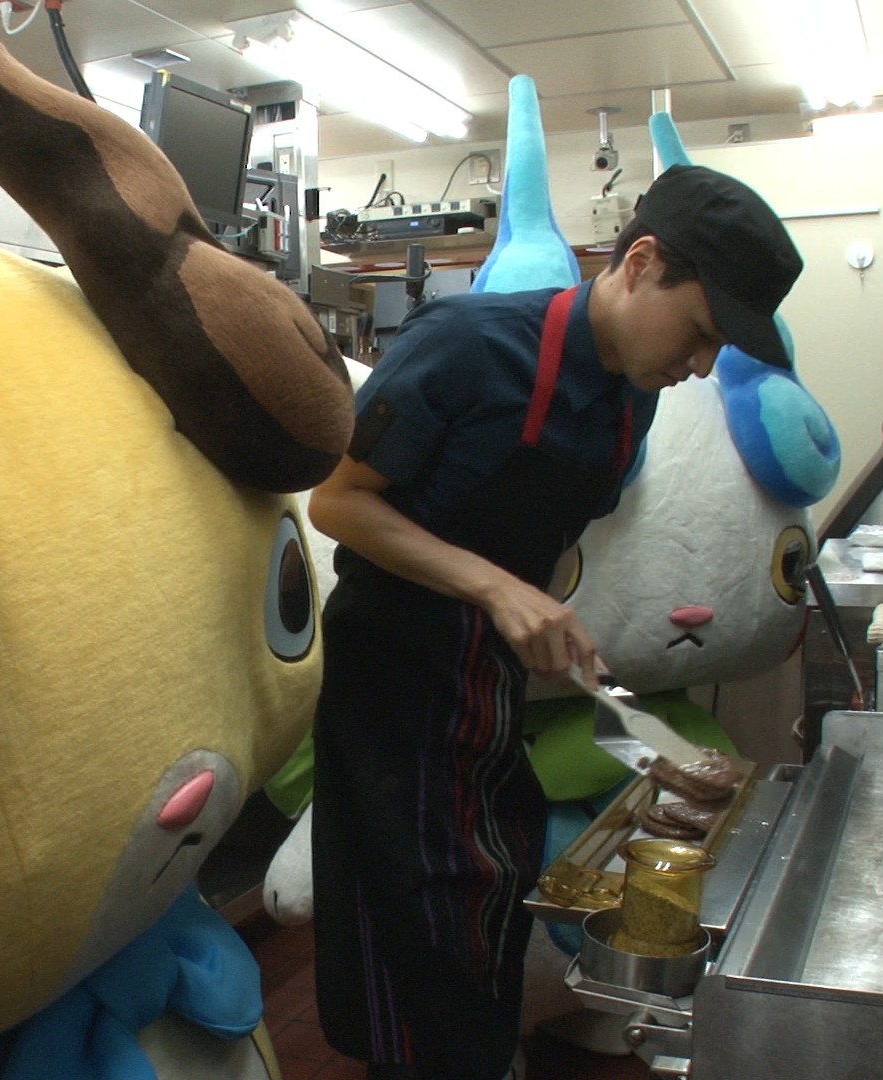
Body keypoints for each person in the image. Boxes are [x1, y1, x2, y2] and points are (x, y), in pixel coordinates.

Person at [306, 164, 803, 1080]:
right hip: (390, 688)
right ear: (640, 263)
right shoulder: (467, 347)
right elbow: (337, 502)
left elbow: (543, 552)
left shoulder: (632, 397)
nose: (699, 367)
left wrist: (589, 668)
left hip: (489, 686)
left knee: (493, 895)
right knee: (414, 932)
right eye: (699, 332)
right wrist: (498, 589)